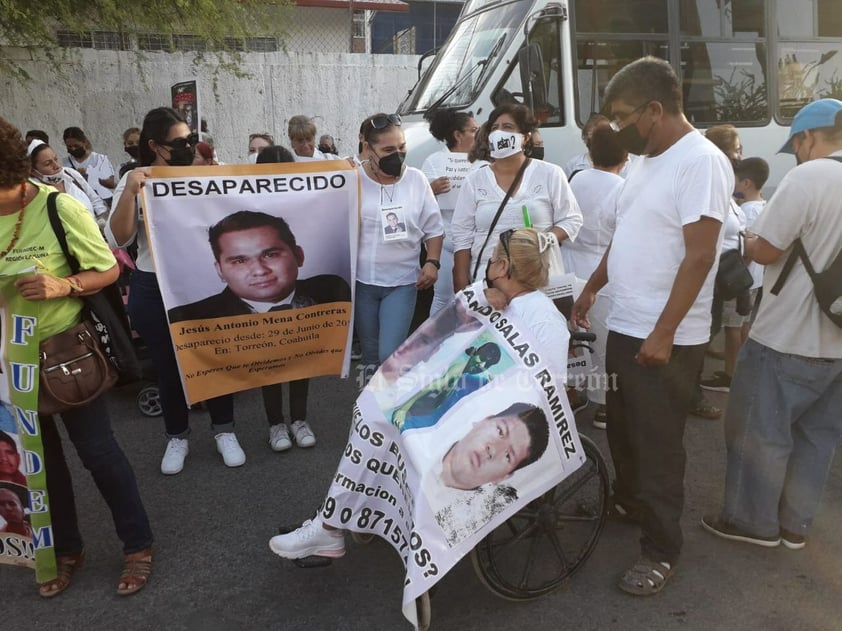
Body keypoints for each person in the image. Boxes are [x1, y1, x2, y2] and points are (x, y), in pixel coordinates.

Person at [269, 227, 569, 560]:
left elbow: (545, 393)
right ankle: (333, 521)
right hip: (456, 402)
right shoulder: (491, 299)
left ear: (502, 268)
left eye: (494, 259)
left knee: (399, 432)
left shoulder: (543, 318)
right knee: (374, 413)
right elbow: (442, 334)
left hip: (481, 418)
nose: (490, 265)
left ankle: (329, 526)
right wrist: (479, 299)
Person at [571, 56, 731, 596]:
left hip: (669, 336)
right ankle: (629, 501)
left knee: (659, 443)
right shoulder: (644, 159)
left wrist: (664, 333)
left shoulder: (701, 162)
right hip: (627, 321)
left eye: (622, 116)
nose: (615, 128)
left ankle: (661, 549)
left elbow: (700, 256)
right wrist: (594, 284)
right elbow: (627, 231)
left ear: (655, 110)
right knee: (622, 424)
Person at [0, 117, 154, 597]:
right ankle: (64, 549)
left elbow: (107, 269)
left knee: (98, 453)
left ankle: (137, 544)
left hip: (63, 353)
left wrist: (61, 284)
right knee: (38, 463)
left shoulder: (55, 206)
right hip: (6, 365)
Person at [701, 98, 842, 551]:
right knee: (817, 438)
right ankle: (794, 526)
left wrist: (750, 237)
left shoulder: (811, 176)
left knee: (758, 432)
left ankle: (750, 521)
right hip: (838, 342)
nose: (796, 153)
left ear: (807, 137)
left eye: (796, 144)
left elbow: (767, 251)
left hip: (787, 335)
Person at [107, 107, 245, 474]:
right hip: (154, 284)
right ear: (155, 146)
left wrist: (215, 171)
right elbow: (118, 238)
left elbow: (241, 208)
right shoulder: (137, 180)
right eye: (179, 141)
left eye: (190, 138)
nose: (188, 145)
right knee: (168, 365)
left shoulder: (203, 171)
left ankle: (224, 431)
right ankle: (177, 437)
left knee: (215, 357)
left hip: (202, 281)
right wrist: (131, 191)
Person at [451, 104, 582, 292]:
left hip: (539, 280)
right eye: (494, 128)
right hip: (489, 285)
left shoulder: (550, 173)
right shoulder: (474, 180)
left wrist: (546, 238)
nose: (499, 133)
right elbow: (462, 236)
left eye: (508, 127)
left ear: (525, 137)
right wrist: (461, 282)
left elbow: (572, 219)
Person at [353, 113, 444, 384]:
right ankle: (369, 406)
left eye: (402, 147)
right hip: (362, 283)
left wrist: (433, 262)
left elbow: (434, 228)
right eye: (388, 150)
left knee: (388, 353)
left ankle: (388, 406)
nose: (398, 154)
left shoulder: (416, 180)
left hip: (403, 282)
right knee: (369, 355)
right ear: (368, 148)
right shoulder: (351, 179)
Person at [168, 210, 351, 321]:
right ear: (220, 270)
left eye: (270, 255)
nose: (259, 270)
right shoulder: (192, 317)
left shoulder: (331, 291)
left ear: (298, 255)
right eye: (240, 261)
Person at [563, 122, 627, 429]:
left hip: (567, 263)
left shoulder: (574, 179)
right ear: (625, 156)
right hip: (602, 269)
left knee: (570, 334)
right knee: (602, 338)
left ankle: (572, 392)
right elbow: (624, 237)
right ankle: (603, 404)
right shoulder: (622, 188)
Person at [698, 125, 749, 394]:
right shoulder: (711, 182)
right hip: (714, 276)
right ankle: (691, 394)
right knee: (706, 333)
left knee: (714, 329)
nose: (740, 156)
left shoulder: (727, 184)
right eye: (736, 150)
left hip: (729, 275)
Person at [422, 109, 480, 314]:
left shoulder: (484, 162)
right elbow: (419, 202)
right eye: (474, 130)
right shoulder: (434, 161)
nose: (480, 134)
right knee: (444, 297)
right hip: (447, 240)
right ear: (458, 135)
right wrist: (432, 189)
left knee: (479, 296)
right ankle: (436, 344)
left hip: (478, 239)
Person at [390, 341, 502, 431]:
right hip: (412, 400)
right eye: (482, 358)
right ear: (475, 352)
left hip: (426, 409)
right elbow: (431, 386)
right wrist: (403, 410)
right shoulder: (457, 369)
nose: (481, 365)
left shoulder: (473, 374)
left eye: (487, 364)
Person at [28, 140, 108, 222]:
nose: (57, 166)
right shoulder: (34, 191)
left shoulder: (70, 173)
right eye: (48, 164)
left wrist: (102, 219)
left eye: (56, 159)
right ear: (34, 171)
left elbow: (95, 200)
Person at [61, 126, 116, 207]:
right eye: (69, 146)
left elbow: (111, 183)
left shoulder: (100, 159)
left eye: (76, 146)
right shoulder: (65, 162)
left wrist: (91, 173)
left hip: (102, 201)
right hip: (79, 202)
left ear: (84, 142)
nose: (73, 149)